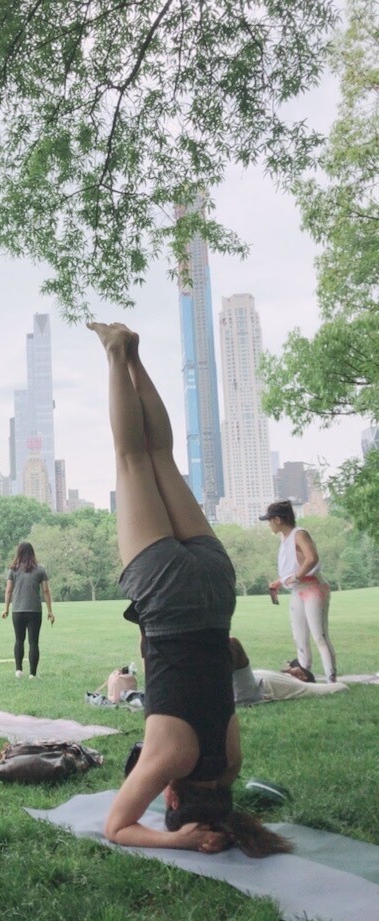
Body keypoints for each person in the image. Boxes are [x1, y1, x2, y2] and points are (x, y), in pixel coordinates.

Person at [90, 321, 291, 857]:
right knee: (134, 460)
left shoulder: (230, 762)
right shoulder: (170, 760)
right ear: (173, 797)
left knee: (162, 460)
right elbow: (117, 827)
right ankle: (115, 353)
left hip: (214, 592)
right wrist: (175, 839)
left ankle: (134, 354)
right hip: (168, 598)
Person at [261, 500, 337, 682]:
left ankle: (331, 678)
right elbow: (293, 566)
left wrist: (296, 577)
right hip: (298, 590)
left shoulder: (299, 534)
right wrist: (280, 581)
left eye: (269, 520)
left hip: (313, 588)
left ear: (277, 520)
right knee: (300, 637)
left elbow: (312, 558)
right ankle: (304, 676)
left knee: (320, 635)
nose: (269, 524)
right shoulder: (285, 538)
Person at [230, 636, 348, 705]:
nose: (287, 668)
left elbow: (341, 686)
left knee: (232, 643)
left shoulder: (303, 686)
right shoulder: (284, 678)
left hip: (251, 692)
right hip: (236, 686)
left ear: (303, 676)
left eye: (292, 667)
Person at [2, 542, 55, 679]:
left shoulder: (13, 570)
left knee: (19, 640)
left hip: (17, 611)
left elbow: (8, 590)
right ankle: (32, 674)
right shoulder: (40, 570)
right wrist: (50, 611)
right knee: (34, 642)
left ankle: (18, 671)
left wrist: (6, 608)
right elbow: (46, 591)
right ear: (32, 553)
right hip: (35, 611)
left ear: (19, 553)